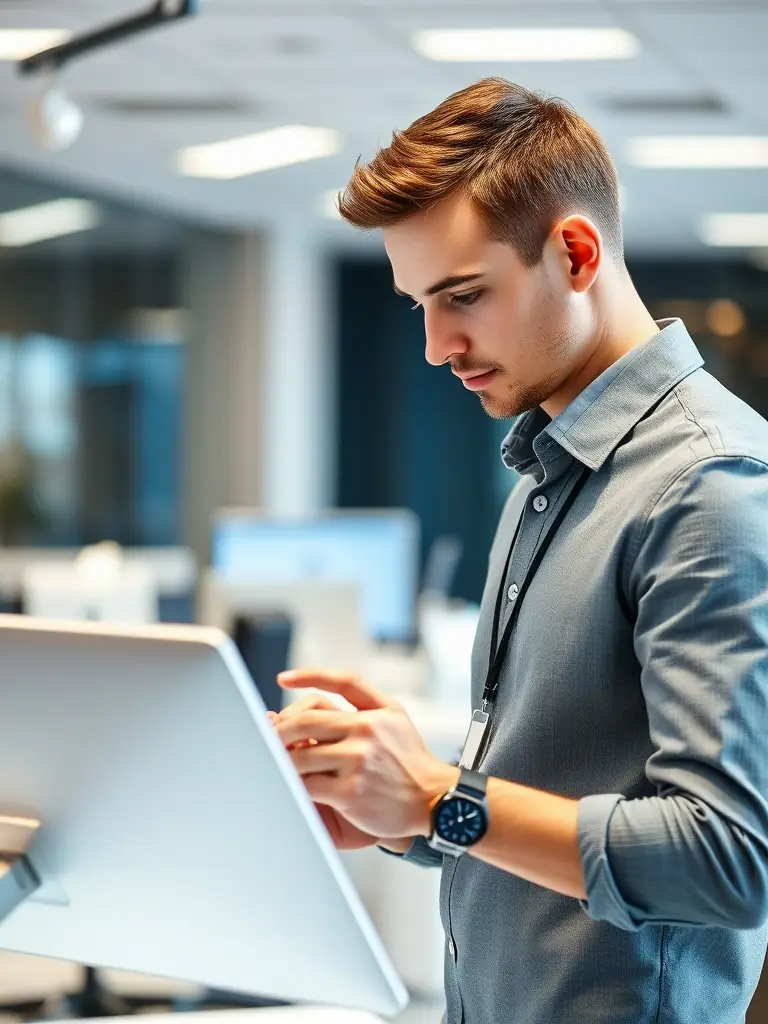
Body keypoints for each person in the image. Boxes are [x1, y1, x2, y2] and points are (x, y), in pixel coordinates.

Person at [268, 78, 768, 1023]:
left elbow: (728, 861)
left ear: (575, 252)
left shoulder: (710, 484)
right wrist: (407, 807)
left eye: (462, 296)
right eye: (418, 303)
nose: (434, 345)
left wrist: (439, 801)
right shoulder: (550, 465)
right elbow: (555, 797)